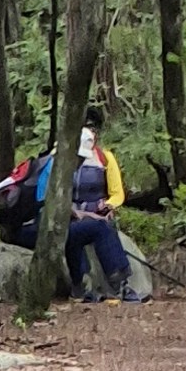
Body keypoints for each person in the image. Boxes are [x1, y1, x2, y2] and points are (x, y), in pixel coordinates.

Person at [62, 123, 130, 303]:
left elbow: (117, 194)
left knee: (101, 227)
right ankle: (84, 284)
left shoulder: (105, 159)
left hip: (96, 213)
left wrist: (107, 208)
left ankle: (117, 282)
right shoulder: (59, 160)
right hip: (70, 216)